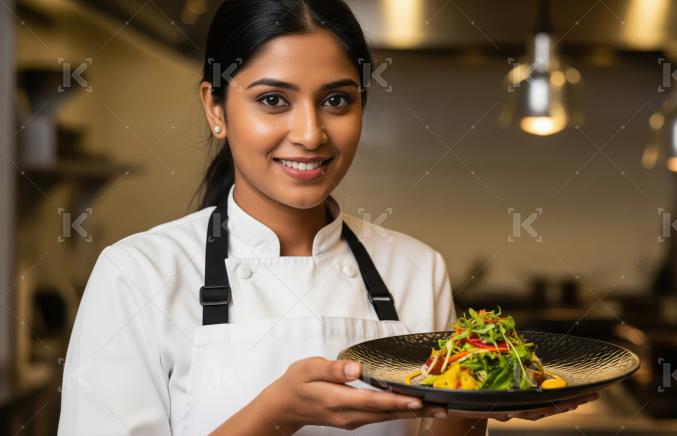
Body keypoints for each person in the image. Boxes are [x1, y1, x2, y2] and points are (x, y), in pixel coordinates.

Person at [57, 1, 597, 434]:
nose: (311, 133)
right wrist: (278, 414)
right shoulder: (138, 273)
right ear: (215, 108)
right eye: (273, 100)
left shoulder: (415, 268)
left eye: (337, 101)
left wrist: (476, 404)